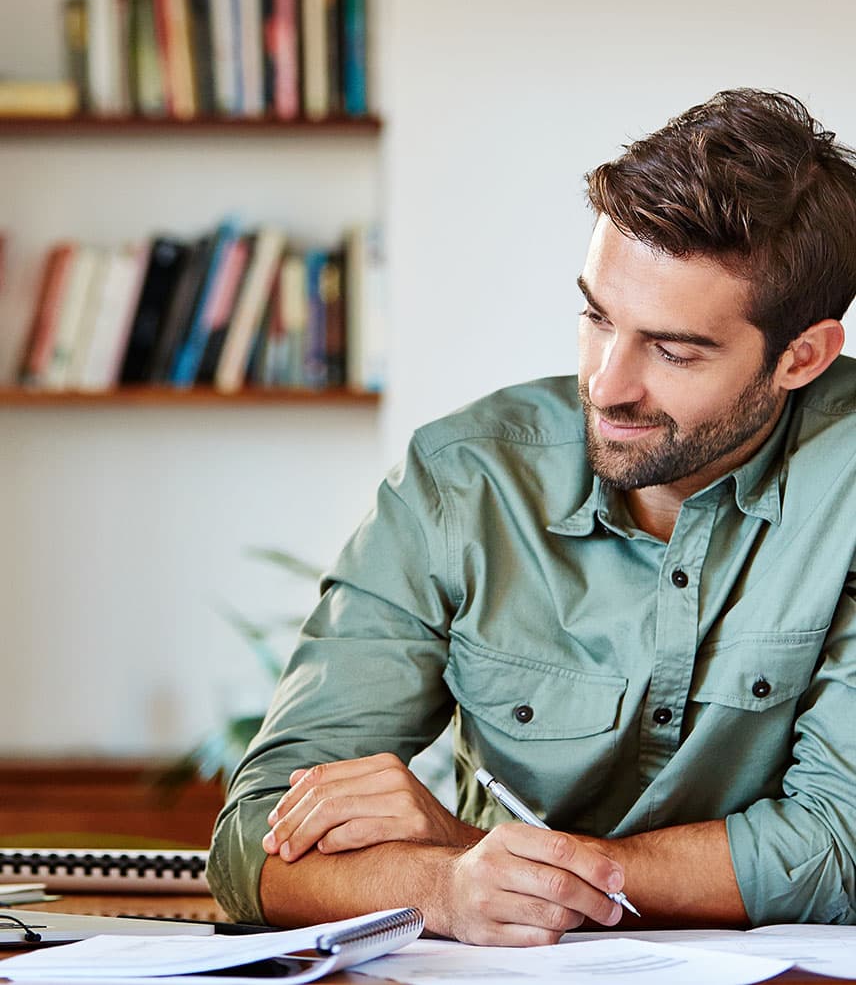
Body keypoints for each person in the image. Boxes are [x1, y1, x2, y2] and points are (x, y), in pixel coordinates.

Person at [208, 89, 856, 944]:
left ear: (801, 357)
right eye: (596, 317)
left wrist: (475, 850)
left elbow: (839, 845)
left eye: (672, 351)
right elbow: (254, 843)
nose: (606, 385)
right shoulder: (461, 482)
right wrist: (444, 887)